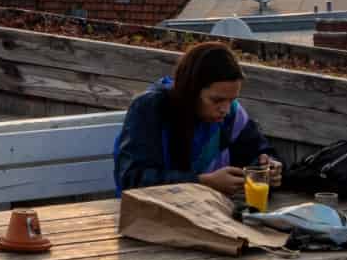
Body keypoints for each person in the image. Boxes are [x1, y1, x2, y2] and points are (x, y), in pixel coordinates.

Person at [114, 41, 280, 194]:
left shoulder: (233, 115)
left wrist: (269, 166)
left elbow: (259, 150)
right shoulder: (150, 109)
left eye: (232, 99)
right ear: (191, 90)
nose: (226, 110)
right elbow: (131, 178)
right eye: (217, 100)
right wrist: (201, 182)